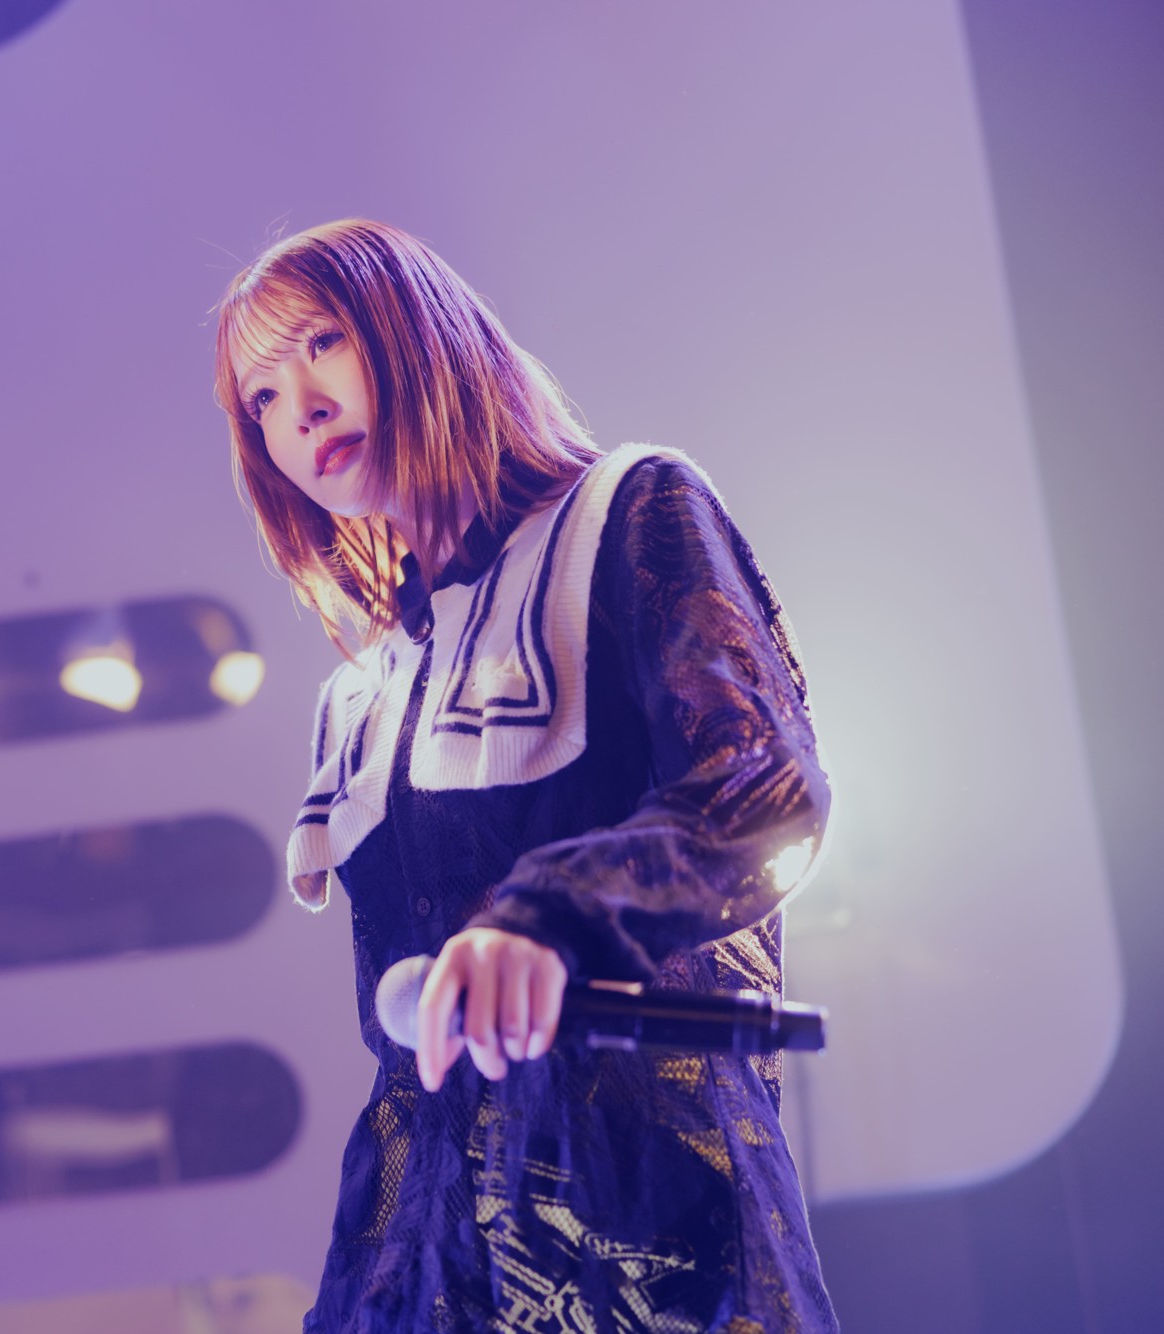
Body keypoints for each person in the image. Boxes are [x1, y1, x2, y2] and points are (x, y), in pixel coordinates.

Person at [213, 219, 839, 1334]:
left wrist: (547, 915)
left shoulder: (627, 510)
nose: (295, 408)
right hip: (421, 1264)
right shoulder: (362, 692)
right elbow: (406, 1074)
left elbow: (760, 783)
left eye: (320, 342)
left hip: (645, 1232)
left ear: (415, 330)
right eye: (259, 395)